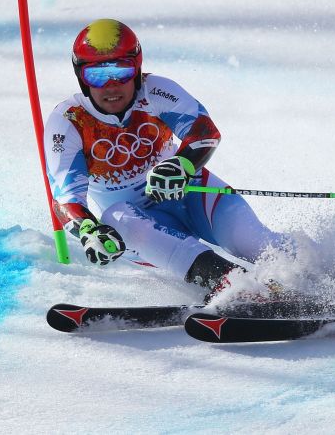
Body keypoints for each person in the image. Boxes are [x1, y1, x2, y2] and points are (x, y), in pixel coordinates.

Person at [43, 18, 290, 294]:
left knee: (254, 241)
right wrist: (89, 230)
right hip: (142, 231)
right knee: (116, 216)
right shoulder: (69, 121)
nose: (111, 86)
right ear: (81, 77)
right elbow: (65, 198)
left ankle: (325, 271)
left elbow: (205, 132)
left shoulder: (156, 91)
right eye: (97, 76)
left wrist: (183, 165)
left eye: (122, 72)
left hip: (192, 195)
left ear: (137, 69)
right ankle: (235, 286)